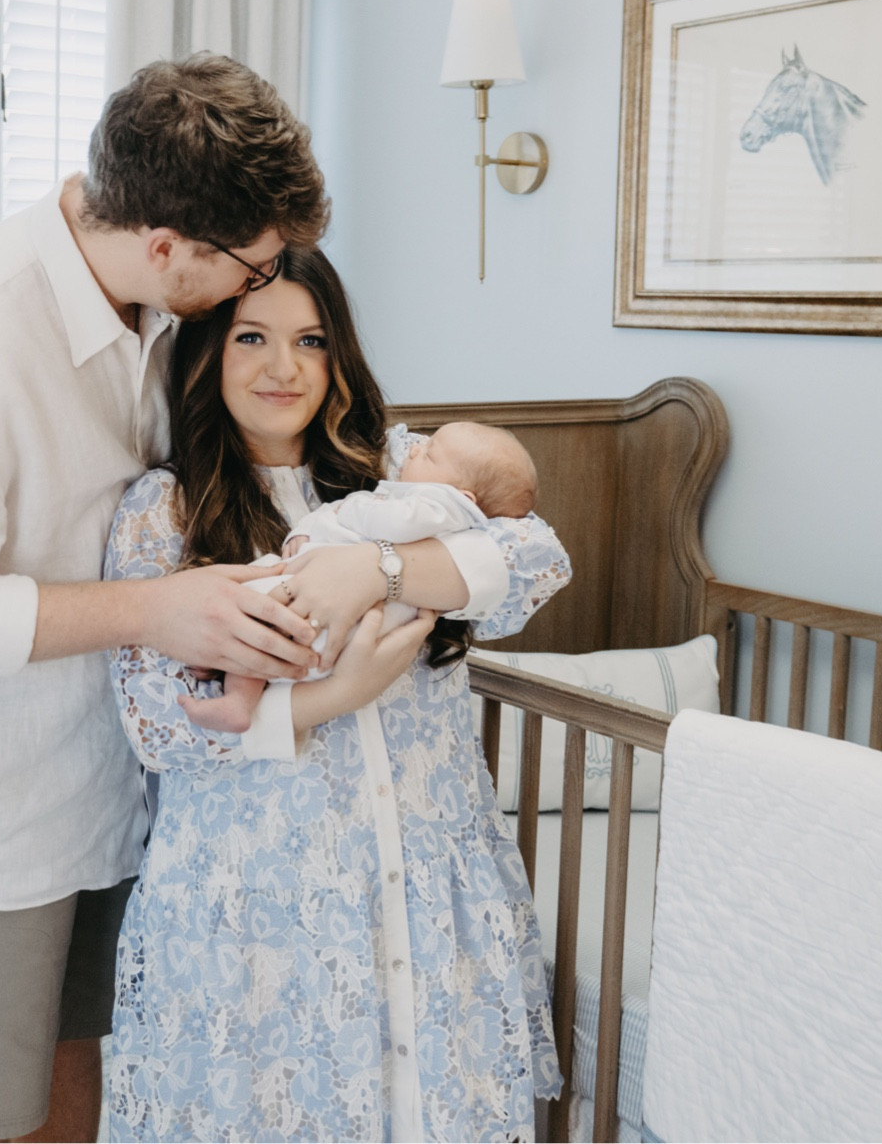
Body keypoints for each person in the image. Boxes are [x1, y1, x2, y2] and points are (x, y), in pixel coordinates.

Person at [0, 56, 346, 1143]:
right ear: (165, 244)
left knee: (72, 1093)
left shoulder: (160, 302)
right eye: (251, 268)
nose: (260, 287)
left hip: (113, 799)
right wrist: (151, 612)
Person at [101, 246, 569, 1141]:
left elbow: (538, 561)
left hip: (425, 864)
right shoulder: (165, 511)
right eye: (252, 338)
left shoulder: (398, 469)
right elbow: (159, 727)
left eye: (310, 340)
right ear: (206, 353)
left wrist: (378, 571)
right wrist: (337, 693)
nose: (284, 368)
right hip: (261, 892)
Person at [178, 421, 540, 733]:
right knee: (256, 612)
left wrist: (362, 527)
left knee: (257, 611)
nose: (415, 448)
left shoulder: (440, 508)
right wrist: (307, 532)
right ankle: (236, 694)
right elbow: (339, 517)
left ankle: (235, 692)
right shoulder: (415, 495)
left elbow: (388, 522)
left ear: (463, 496)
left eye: (430, 454)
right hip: (332, 609)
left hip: (344, 618)